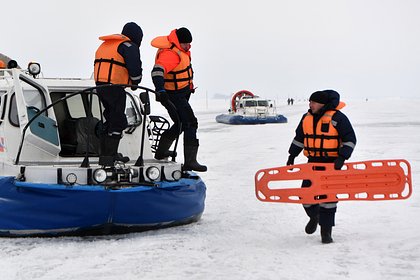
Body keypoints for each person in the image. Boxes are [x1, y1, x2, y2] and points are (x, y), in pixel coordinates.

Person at [286, 89, 356, 244]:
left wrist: (342, 157)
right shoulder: (306, 118)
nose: (310, 104)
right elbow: (299, 138)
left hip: (331, 165)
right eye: (310, 101)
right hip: (312, 164)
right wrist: (292, 155)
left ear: (322, 104)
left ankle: (326, 232)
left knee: (328, 200)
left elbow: (350, 139)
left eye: (313, 102)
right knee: (305, 196)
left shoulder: (338, 118)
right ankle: (314, 216)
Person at [151, 27, 207, 172]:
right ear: (178, 42)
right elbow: (157, 71)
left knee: (180, 124)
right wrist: (160, 89)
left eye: (189, 44)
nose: (188, 47)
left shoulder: (181, 51)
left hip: (180, 94)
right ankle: (191, 161)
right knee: (190, 122)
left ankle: (161, 152)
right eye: (185, 44)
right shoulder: (171, 54)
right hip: (172, 95)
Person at [94, 22, 143, 166]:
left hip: (100, 86)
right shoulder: (128, 46)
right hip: (115, 87)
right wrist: (135, 83)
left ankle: (107, 154)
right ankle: (109, 156)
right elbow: (135, 68)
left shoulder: (106, 45)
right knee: (118, 121)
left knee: (110, 119)